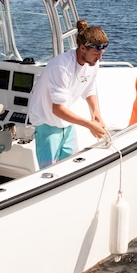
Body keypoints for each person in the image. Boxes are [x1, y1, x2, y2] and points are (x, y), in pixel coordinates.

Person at [28, 20, 109, 168]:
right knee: (48, 173)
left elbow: (89, 88)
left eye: (102, 54)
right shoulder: (61, 67)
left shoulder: (92, 63)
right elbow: (57, 109)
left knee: (73, 167)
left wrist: (96, 113)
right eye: (96, 54)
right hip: (47, 123)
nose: (99, 58)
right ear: (83, 48)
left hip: (67, 123)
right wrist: (89, 125)